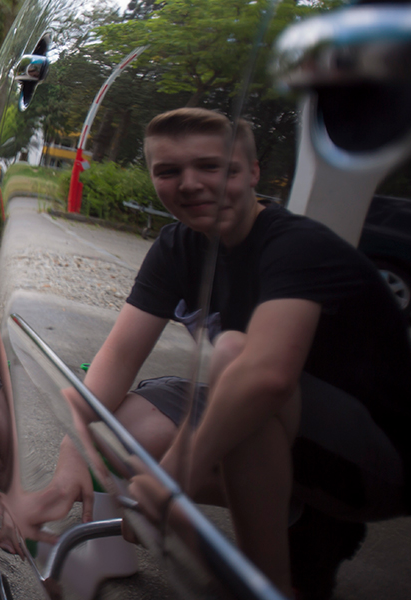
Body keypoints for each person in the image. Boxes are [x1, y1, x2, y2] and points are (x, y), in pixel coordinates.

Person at [40, 107, 409, 599]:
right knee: (116, 426)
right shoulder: (179, 247)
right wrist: (73, 455)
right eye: (168, 171)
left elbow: (267, 377)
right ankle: (280, 510)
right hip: (282, 434)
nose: (190, 184)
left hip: (377, 460)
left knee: (238, 357)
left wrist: (169, 484)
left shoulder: (295, 244)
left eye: (212, 167)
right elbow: (114, 363)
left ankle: (262, 583)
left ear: (252, 172)